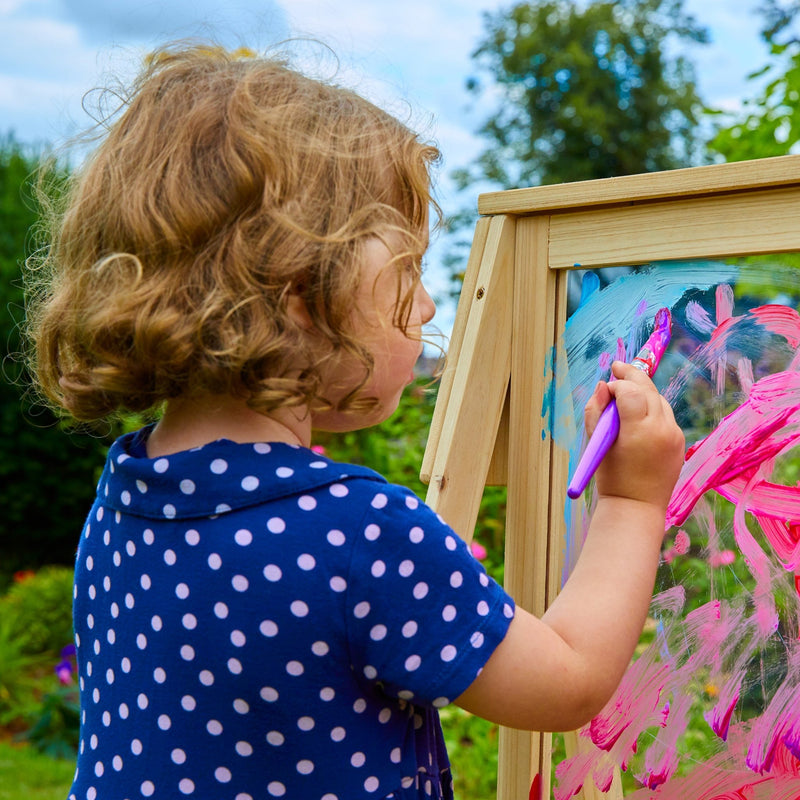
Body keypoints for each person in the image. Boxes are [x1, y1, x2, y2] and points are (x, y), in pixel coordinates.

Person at [26, 43, 685, 800]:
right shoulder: (359, 532)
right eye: (410, 271)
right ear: (307, 296)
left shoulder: (125, 497)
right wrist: (632, 500)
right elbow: (565, 683)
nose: (429, 305)